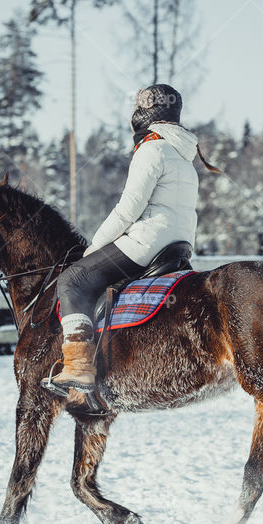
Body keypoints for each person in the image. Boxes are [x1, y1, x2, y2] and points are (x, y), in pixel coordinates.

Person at [45, 83, 218, 403]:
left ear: (144, 114)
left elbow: (128, 209)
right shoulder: (184, 154)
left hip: (148, 241)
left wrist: (94, 248)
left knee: (72, 280)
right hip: (180, 243)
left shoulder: (152, 148)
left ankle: (79, 367)